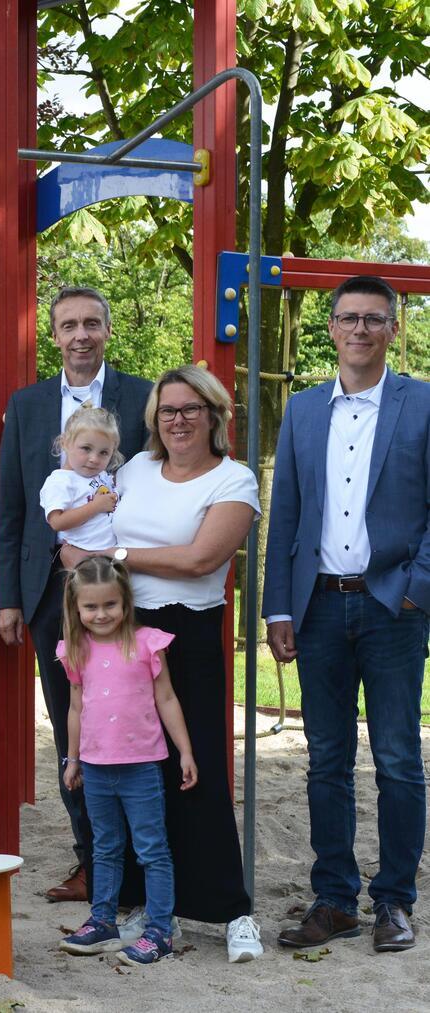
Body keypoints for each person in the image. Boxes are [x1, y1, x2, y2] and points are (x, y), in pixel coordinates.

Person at [66, 363, 262, 963]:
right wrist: (83, 552)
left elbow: (201, 559)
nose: (178, 420)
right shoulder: (136, 470)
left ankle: (230, 909)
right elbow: (82, 528)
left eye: (190, 409)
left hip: (186, 635)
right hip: (116, 630)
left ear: (215, 416)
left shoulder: (235, 480)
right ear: (155, 420)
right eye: (167, 410)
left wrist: (113, 555)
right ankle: (134, 901)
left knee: (191, 765)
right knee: (123, 765)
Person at [263, 275, 426, 954]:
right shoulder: (302, 410)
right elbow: (288, 514)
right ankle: (335, 899)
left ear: (394, 329)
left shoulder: (423, 404)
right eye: (348, 318)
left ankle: (392, 900)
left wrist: (417, 586)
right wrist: (278, 605)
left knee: (396, 758)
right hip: (320, 608)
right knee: (326, 760)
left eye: (374, 319)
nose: (360, 329)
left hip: (394, 606)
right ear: (329, 327)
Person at [0, 287, 153, 902]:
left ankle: (141, 864)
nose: (80, 334)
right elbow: (11, 508)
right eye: (68, 326)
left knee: (132, 722)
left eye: (92, 324)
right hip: (48, 596)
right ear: (53, 336)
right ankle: (92, 862)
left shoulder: (143, 399)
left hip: (125, 590)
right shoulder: (28, 406)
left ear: (107, 331)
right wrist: (8, 596)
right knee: (73, 727)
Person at [56, 556, 196, 966]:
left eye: (110, 605)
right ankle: (102, 921)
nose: (101, 615)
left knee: (152, 849)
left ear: (125, 603)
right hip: (96, 769)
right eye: (91, 607)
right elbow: (76, 709)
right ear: (77, 609)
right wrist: (73, 759)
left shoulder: (147, 643)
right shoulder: (75, 652)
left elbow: (167, 699)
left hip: (141, 768)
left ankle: (158, 929)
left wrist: (184, 750)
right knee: (105, 848)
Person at [40, 405, 122, 554]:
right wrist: (96, 506)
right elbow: (57, 522)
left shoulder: (102, 475)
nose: (94, 459)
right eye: (86, 448)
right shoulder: (60, 481)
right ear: (65, 443)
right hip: (85, 557)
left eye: (104, 452)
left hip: (113, 553)